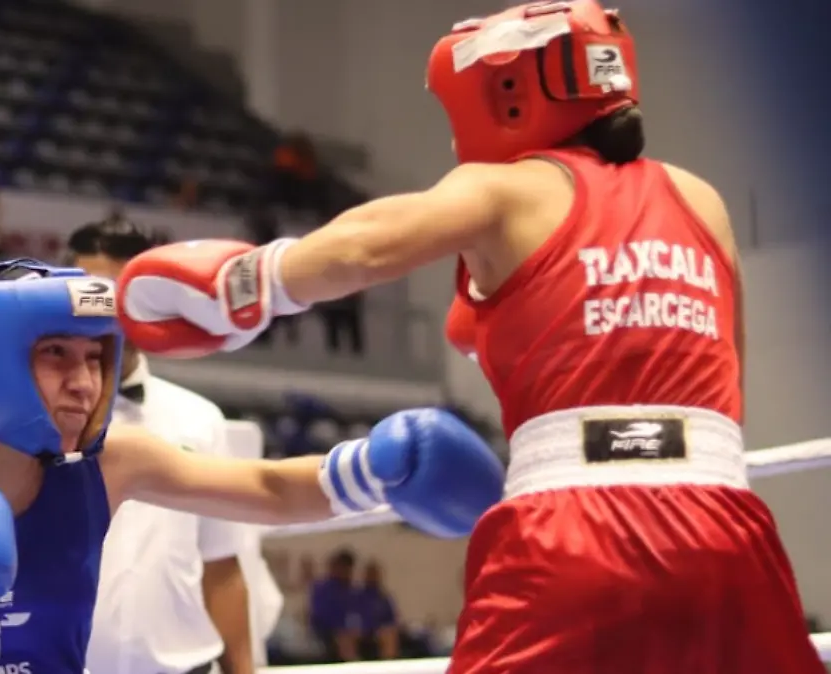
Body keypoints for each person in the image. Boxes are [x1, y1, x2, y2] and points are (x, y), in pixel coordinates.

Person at [111, 1, 823, 672]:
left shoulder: (505, 189)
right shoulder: (701, 199)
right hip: (725, 520)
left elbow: (365, 244)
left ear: (510, 94)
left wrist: (244, 285)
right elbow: (728, 369)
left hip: (576, 523)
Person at [0, 259, 503, 674]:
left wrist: (377, 470)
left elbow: (268, 489)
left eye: (95, 358)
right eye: (55, 355)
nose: (84, 382)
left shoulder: (109, 465)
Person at [66, 218, 256, 674]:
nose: (110, 312)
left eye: (123, 295)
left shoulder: (199, 419)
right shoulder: (33, 423)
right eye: (95, 294)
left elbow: (221, 567)